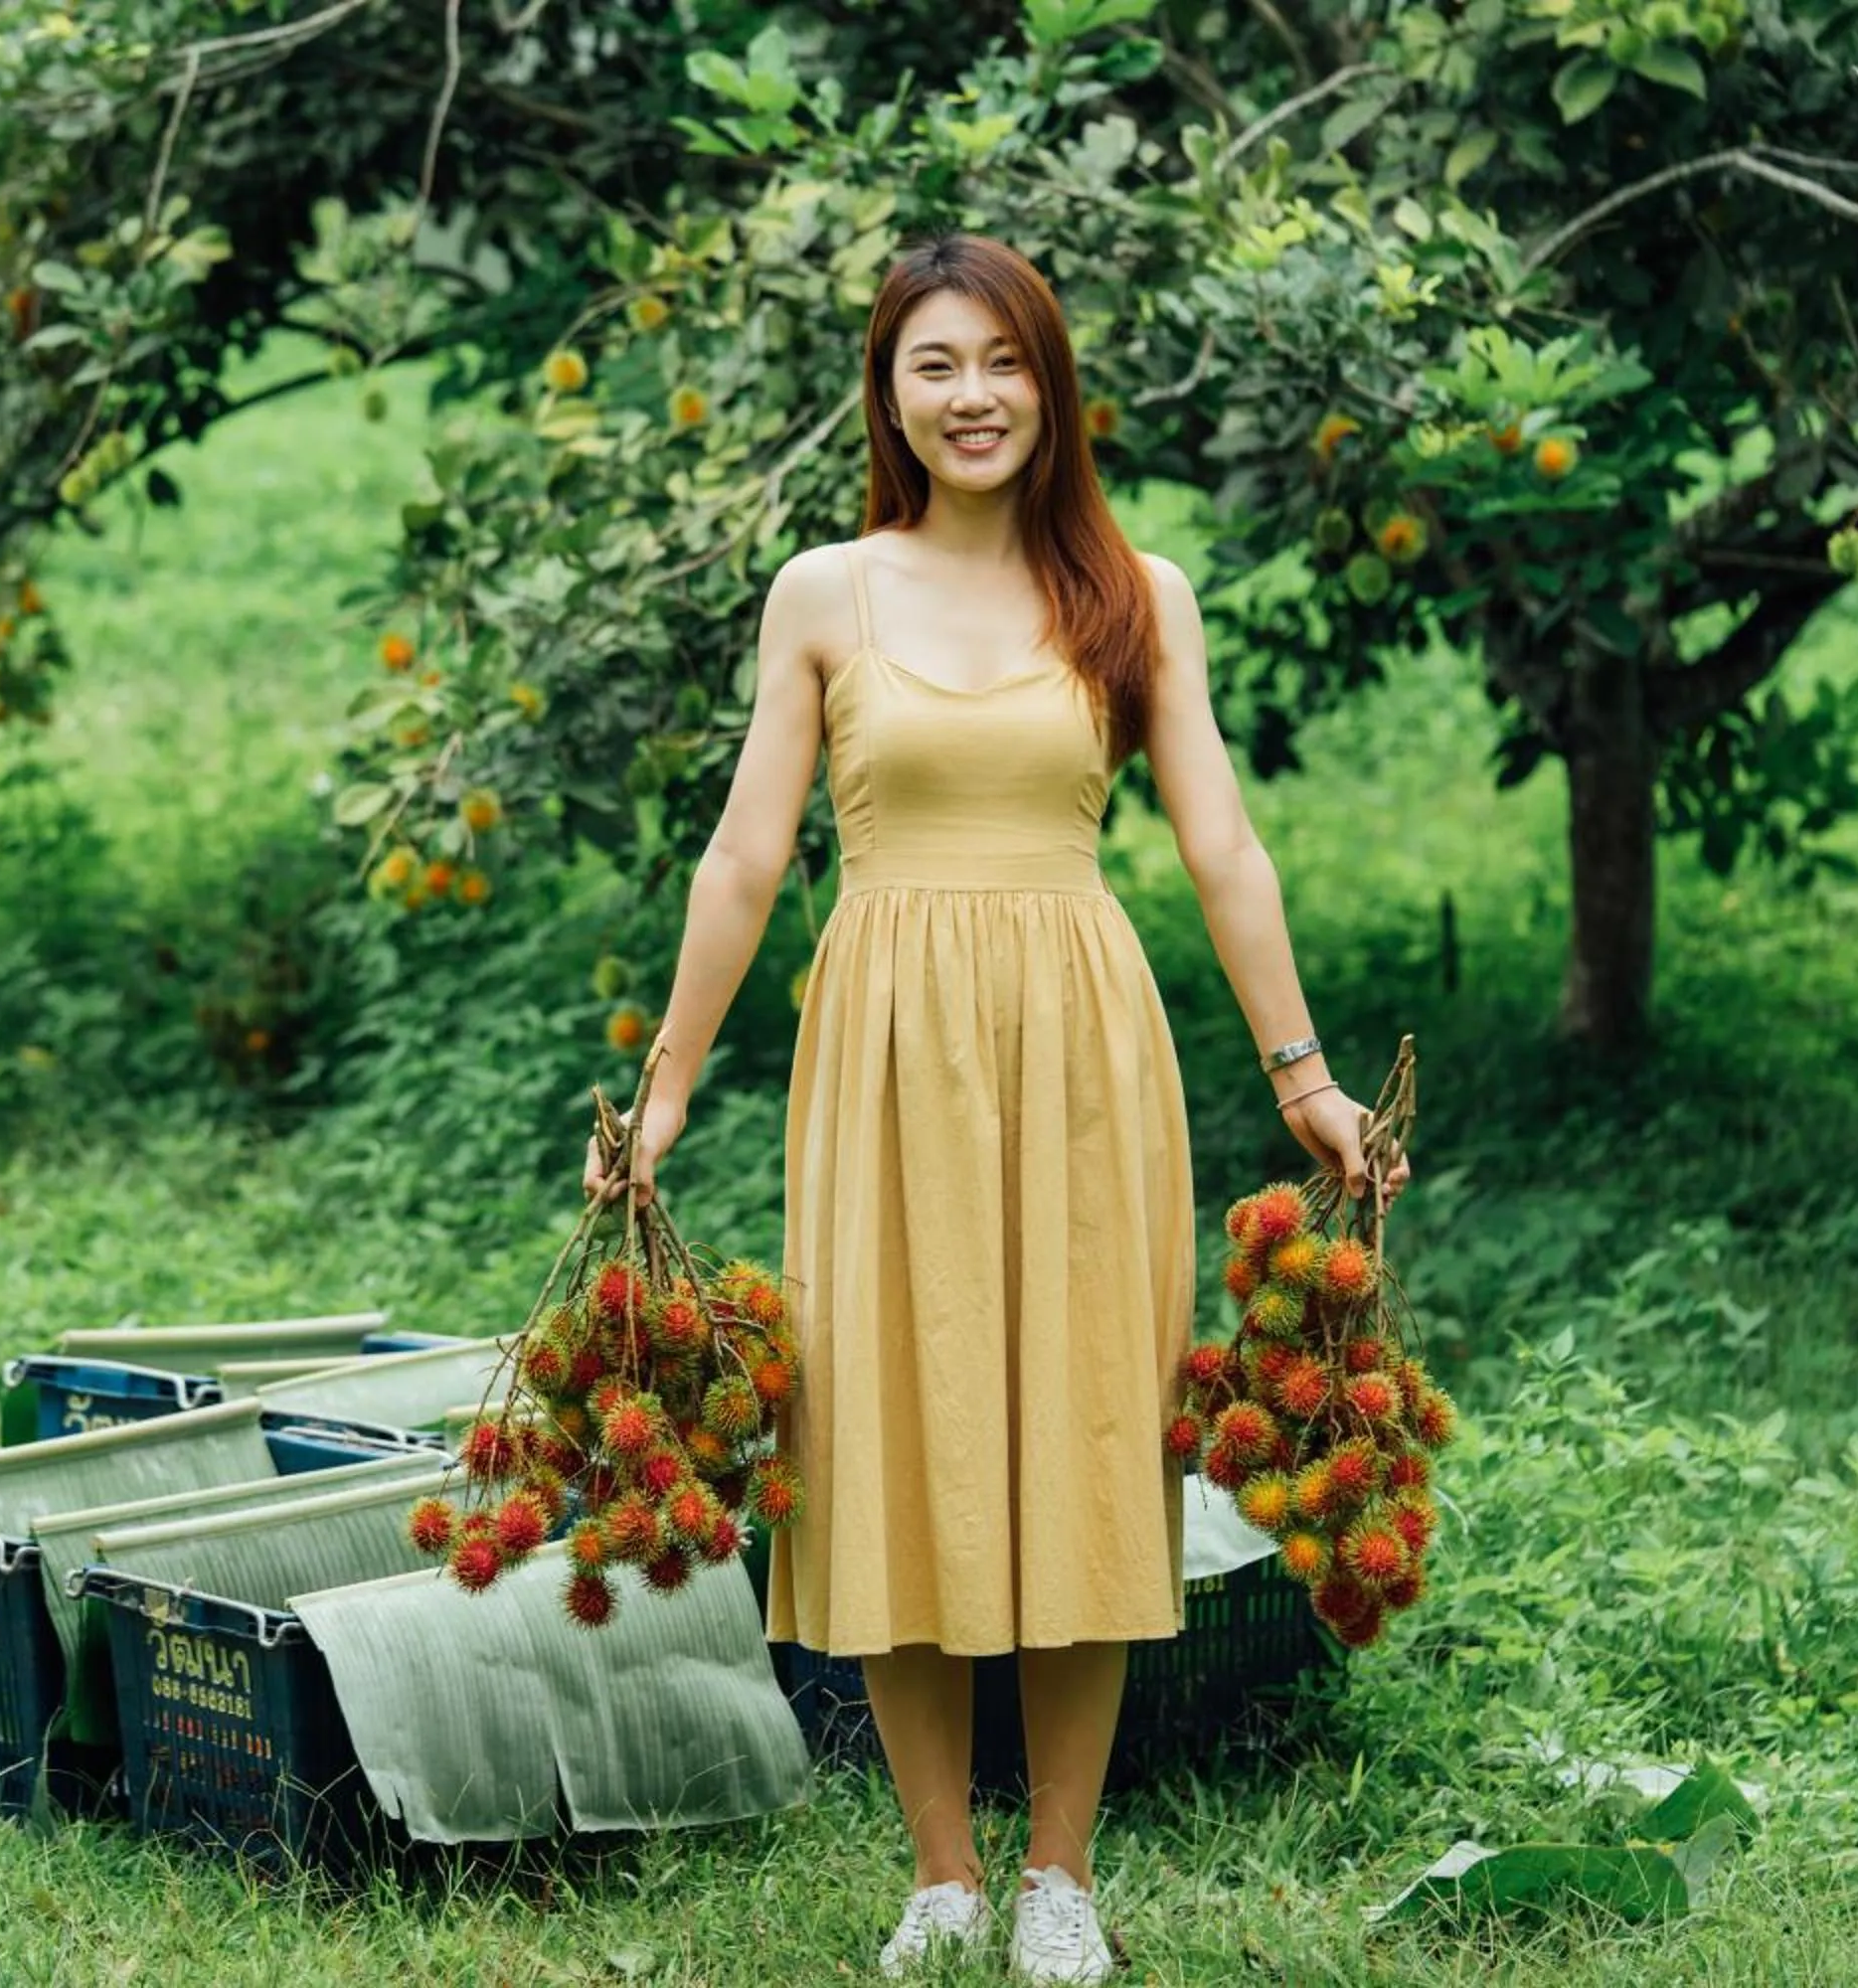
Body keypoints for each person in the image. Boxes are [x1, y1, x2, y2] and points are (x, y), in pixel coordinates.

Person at [585, 235, 1412, 1983]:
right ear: (888, 390)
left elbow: (1223, 846)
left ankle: (1062, 1876)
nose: (974, 397)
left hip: (1080, 1048)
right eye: (936, 365)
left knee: (1079, 1440)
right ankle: (942, 1873)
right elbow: (746, 855)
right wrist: (663, 1090)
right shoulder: (824, 592)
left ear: (1053, 383)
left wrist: (1308, 1079)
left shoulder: (1136, 591)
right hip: (879, 1047)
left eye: (1005, 362)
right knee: (887, 1434)